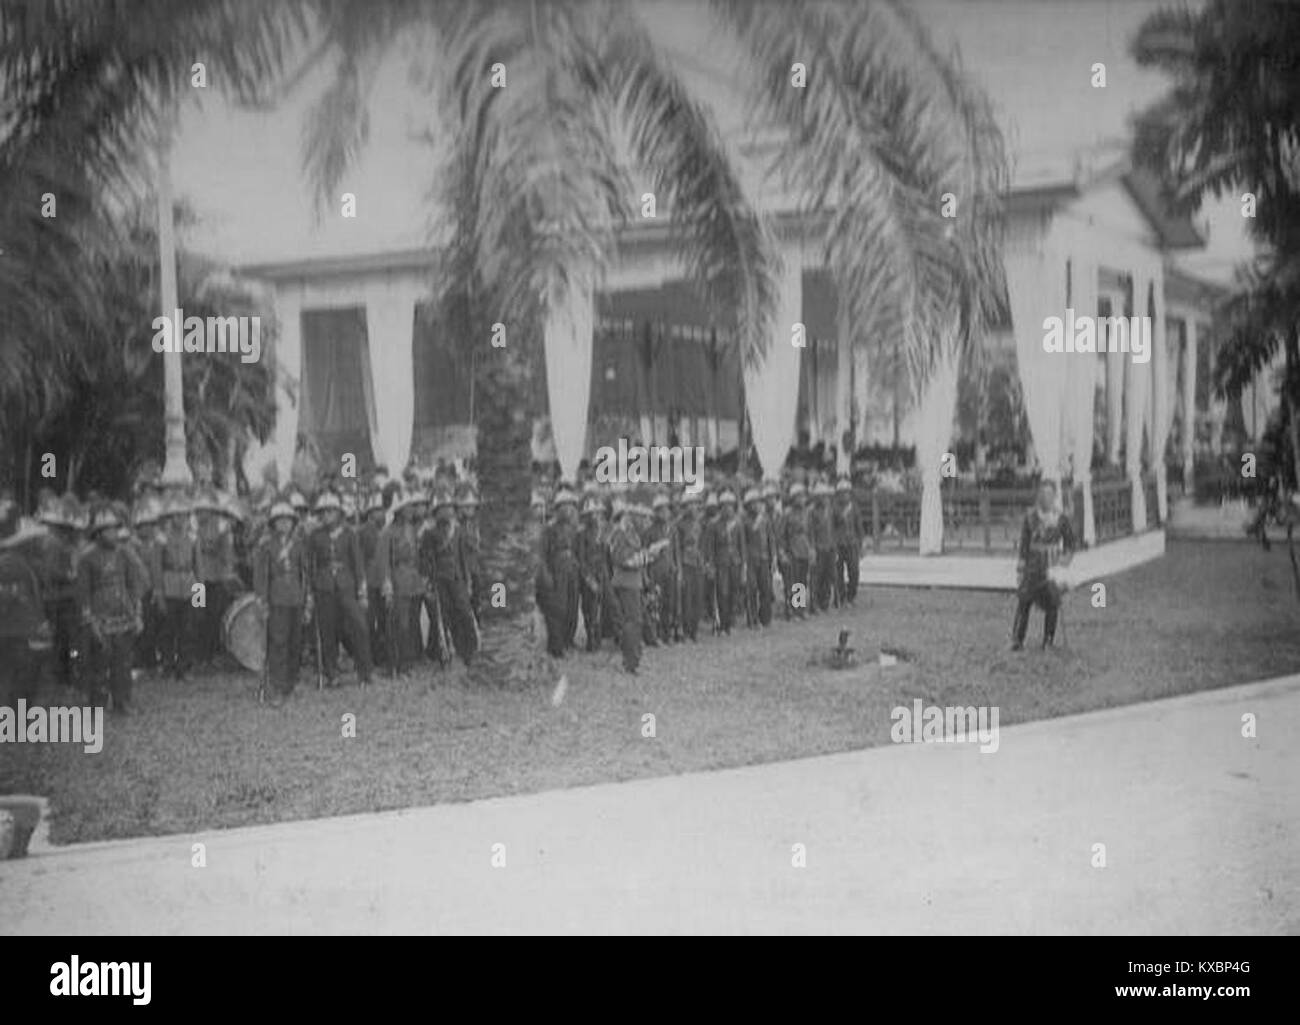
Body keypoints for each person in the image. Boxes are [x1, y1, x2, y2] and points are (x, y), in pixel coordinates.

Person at [77, 504, 146, 714]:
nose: (114, 534)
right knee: (100, 661)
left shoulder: (124, 553)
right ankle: (97, 703)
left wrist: (136, 611)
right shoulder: (87, 557)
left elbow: (132, 582)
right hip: (100, 615)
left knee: (123, 660)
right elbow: (83, 591)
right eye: (108, 530)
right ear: (98, 533)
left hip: (122, 612)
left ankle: (122, 701)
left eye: (115, 529)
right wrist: (88, 617)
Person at [307, 491, 373, 687]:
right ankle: (331, 673)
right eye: (324, 512)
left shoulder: (349, 534)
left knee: (359, 626)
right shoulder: (315, 536)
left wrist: (362, 590)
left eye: (331, 511)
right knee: (328, 631)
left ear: (339, 513)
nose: (327, 515)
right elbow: (311, 565)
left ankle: (365, 671)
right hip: (324, 586)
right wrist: (311, 591)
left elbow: (358, 563)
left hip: (346, 586)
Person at [253, 501, 308, 706]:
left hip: (296, 596)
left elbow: (304, 573)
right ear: (273, 523)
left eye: (288, 520)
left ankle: (291, 682)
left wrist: (306, 597)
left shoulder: (299, 544)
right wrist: (262, 599)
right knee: (278, 642)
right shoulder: (266, 545)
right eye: (280, 521)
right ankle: (277, 685)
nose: (284, 524)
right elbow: (261, 575)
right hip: (276, 597)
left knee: (296, 641)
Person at [1011, 480, 1076, 650]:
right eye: (1042, 494)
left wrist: (1064, 560)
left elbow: (1070, 543)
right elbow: (1024, 545)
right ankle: (1017, 640)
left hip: (1051, 566)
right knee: (1024, 602)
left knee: (1052, 603)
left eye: (1049, 495)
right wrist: (1020, 568)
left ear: (1055, 497)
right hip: (1033, 565)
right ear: (1038, 495)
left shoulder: (1061, 519)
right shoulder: (1030, 517)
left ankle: (1048, 641)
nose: (1045, 498)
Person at [608, 501, 668, 675]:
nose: (644, 521)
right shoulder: (620, 534)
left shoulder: (632, 534)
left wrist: (650, 555)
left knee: (635, 622)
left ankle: (633, 660)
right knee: (632, 622)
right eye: (641, 517)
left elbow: (636, 558)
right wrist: (648, 554)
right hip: (625, 582)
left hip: (633, 582)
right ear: (631, 517)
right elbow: (624, 561)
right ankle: (630, 663)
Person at [0, 496, 48, 706]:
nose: (38, 544)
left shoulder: (22, 563)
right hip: (15, 631)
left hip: (23, 629)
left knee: (24, 679)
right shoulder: (11, 564)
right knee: (19, 679)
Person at [422, 491, 478, 667]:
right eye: (442, 509)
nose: (446, 512)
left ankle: (469, 651)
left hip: (457, 579)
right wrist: (429, 583)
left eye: (448, 508)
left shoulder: (459, 531)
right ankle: (444, 655)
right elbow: (426, 560)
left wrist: (467, 581)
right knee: (442, 618)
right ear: (436, 512)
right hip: (440, 580)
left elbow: (463, 558)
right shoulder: (429, 534)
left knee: (465, 614)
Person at [37, 495, 84, 690]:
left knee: (68, 639)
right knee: (62, 639)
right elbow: (51, 572)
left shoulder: (62, 544)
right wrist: (71, 574)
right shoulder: (53, 544)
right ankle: (61, 677)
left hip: (65, 597)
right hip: (58, 598)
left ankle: (65, 675)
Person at [382, 489, 426, 676]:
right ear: (399, 511)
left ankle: (413, 657)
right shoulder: (389, 533)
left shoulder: (413, 530)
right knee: (401, 623)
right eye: (407, 508)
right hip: (398, 579)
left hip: (414, 579)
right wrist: (388, 584)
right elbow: (385, 561)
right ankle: (399, 663)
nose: (411, 510)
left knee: (413, 621)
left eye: (411, 507)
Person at [156, 493, 199, 681]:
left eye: (183, 515)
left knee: (187, 629)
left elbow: (200, 568)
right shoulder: (162, 539)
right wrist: (159, 594)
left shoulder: (192, 537)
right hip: (169, 585)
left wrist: (200, 596)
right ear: (170, 517)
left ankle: (185, 667)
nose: (180, 519)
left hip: (189, 585)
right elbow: (156, 568)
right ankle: (167, 665)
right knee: (168, 629)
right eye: (176, 515)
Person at [539, 488, 581, 657]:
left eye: (571, 506)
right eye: (565, 506)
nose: (569, 509)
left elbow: (576, 550)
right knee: (558, 609)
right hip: (556, 572)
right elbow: (542, 555)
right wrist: (547, 576)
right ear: (557, 508)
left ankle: (568, 640)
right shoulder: (549, 529)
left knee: (572, 606)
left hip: (571, 570)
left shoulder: (572, 528)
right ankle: (556, 646)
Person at [358, 492, 389, 671]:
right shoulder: (362, 532)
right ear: (370, 513)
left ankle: (383, 653)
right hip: (369, 580)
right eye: (378, 511)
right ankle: (368, 656)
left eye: (383, 510)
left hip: (383, 579)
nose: (381, 514)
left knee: (385, 618)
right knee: (369, 620)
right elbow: (359, 558)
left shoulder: (385, 530)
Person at [576, 496, 609, 652]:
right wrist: (589, 579)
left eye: (597, 513)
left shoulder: (601, 533)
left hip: (600, 573)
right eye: (592, 513)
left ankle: (598, 637)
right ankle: (590, 638)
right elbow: (581, 560)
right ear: (586, 516)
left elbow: (604, 555)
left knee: (599, 607)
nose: (595, 516)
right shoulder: (582, 534)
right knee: (588, 608)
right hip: (588, 575)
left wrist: (604, 575)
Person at [675, 490, 705, 642]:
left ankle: (695, 630)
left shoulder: (699, 523)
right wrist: (679, 569)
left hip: (697, 562)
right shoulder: (679, 524)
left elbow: (702, 544)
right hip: (685, 563)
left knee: (697, 597)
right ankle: (686, 631)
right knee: (686, 599)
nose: (693, 507)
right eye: (690, 504)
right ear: (685, 507)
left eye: (695, 504)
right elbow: (677, 549)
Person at [743, 488, 775, 628]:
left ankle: (766, 618)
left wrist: (773, 556)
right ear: (748, 505)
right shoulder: (744, 521)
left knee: (766, 589)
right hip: (751, 559)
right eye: (752, 503)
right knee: (752, 589)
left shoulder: (765, 519)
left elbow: (770, 539)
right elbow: (743, 543)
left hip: (764, 558)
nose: (756, 506)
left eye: (757, 503)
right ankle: (752, 619)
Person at [782, 483, 812, 619]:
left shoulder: (806, 513)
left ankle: (801, 609)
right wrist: (782, 552)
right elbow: (781, 535)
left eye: (803, 496)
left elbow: (810, 532)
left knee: (802, 581)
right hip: (792, 550)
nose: (802, 499)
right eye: (799, 496)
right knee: (793, 582)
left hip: (804, 549)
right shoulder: (787, 514)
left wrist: (811, 548)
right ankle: (792, 610)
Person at [832, 478, 863, 606]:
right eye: (842, 492)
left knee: (854, 571)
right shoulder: (833, 508)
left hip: (852, 543)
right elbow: (831, 527)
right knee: (837, 574)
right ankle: (840, 597)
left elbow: (859, 526)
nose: (845, 495)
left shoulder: (854, 507)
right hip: (838, 544)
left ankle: (851, 596)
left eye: (847, 492)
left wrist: (860, 543)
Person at [810, 481, 836, 612]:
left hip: (829, 547)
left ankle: (824, 603)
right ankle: (805, 605)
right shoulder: (813, 512)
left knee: (828, 576)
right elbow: (811, 532)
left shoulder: (831, 510)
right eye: (822, 496)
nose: (825, 498)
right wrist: (813, 548)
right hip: (818, 547)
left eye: (826, 496)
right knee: (814, 578)